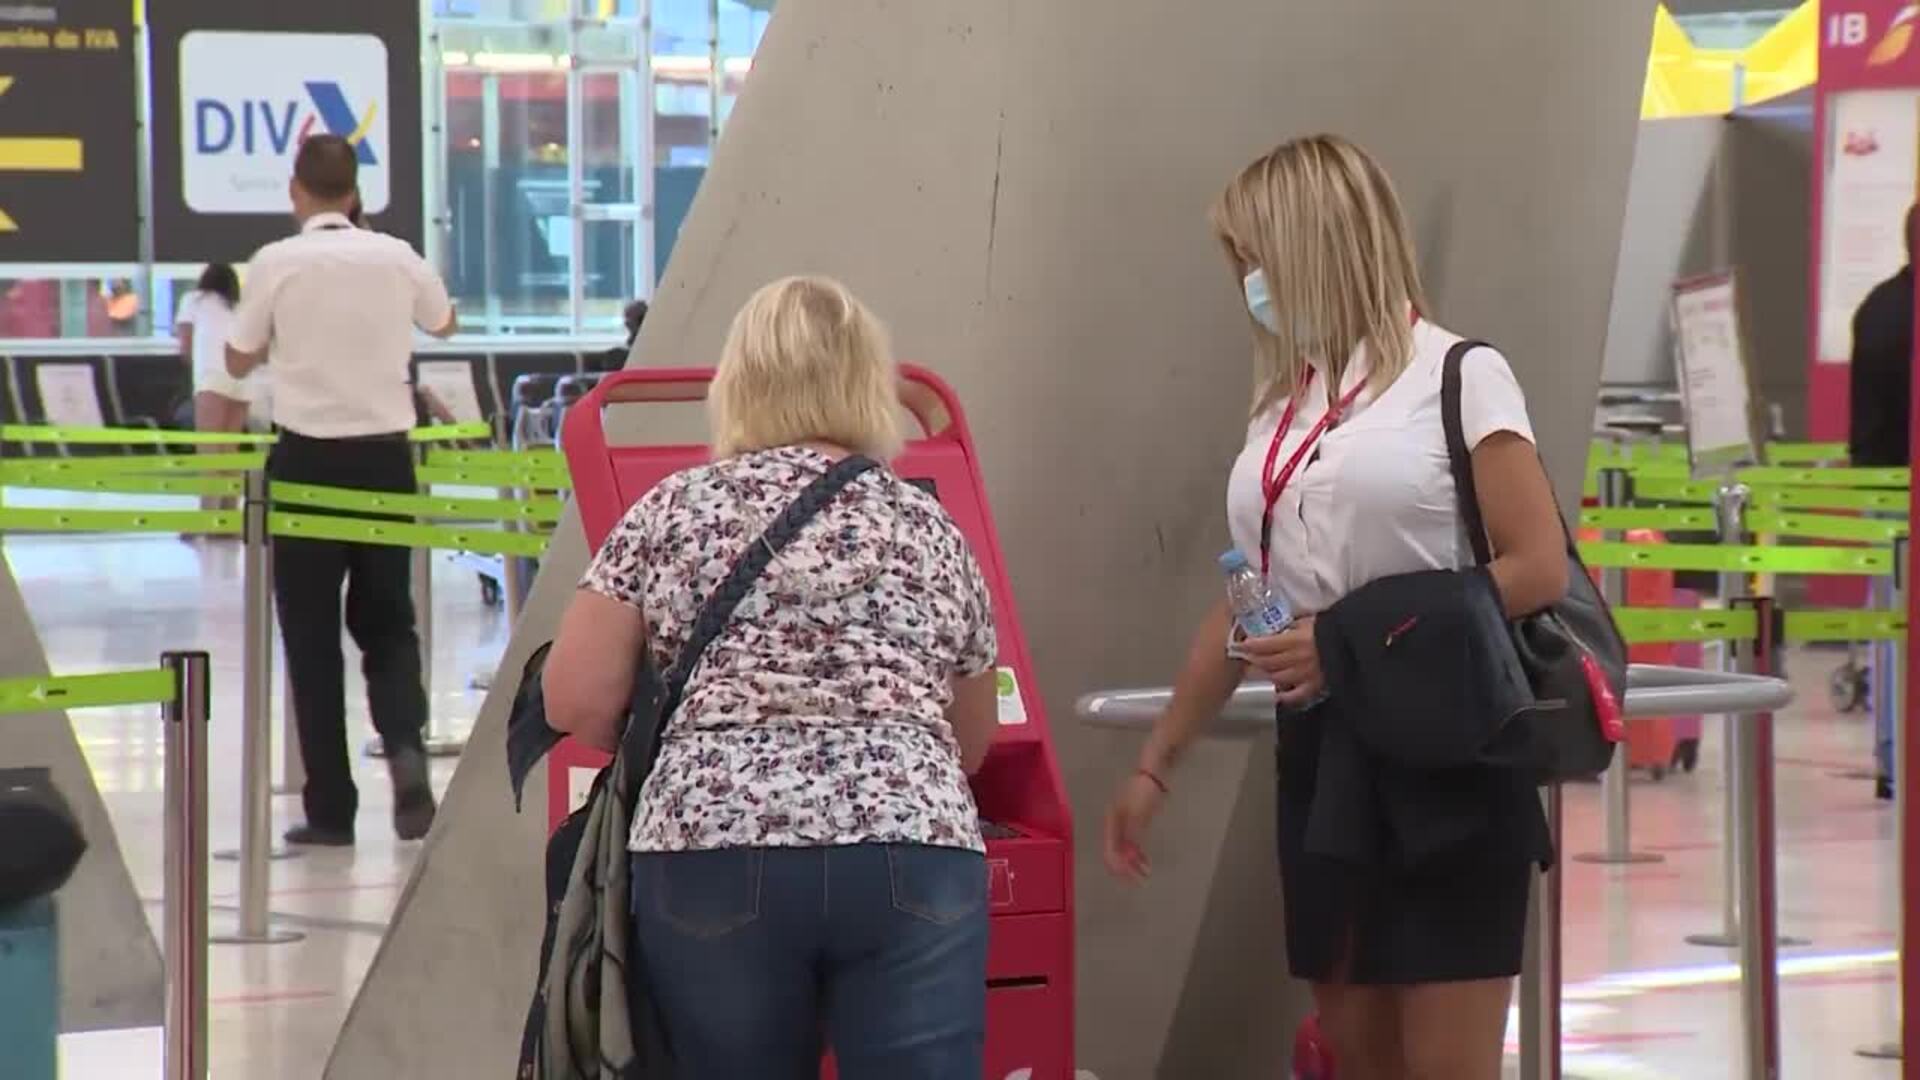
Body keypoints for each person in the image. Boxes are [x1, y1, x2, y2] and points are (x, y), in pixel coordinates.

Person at [1101, 134, 1569, 1080]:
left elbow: (1537, 566)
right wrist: (1158, 762)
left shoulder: (1458, 375)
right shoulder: (1283, 406)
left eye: (1255, 256)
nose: (1248, 281)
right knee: (1356, 1053)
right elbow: (1249, 596)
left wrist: (1349, 640)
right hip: (1322, 759)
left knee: (1446, 1062)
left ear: (1314, 244)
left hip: (1447, 754)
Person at [542, 275, 999, 1078]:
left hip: (712, 841)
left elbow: (575, 699)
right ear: (869, 383)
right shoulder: (929, 523)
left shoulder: (674, 508)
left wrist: (683, 741)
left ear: (738, 381)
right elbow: (972, 737)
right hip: (911, 840)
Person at [225, 134, 459, 846]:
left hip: (306, 463)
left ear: (296, 192)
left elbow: (236, 358)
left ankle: (330, 809)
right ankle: (407, 759)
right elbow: (444, 322)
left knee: (311, 636)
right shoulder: (396, 254)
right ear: (356, 195)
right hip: (387, 461)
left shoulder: (275, 262)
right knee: (389, 622)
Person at [1848, 205, 1917, 802]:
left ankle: (1892, 755)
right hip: (1903, 489)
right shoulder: (1907, 313)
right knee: (1898, 626)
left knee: (1891, 630)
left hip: (1878, 487)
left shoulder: (1877, 305)